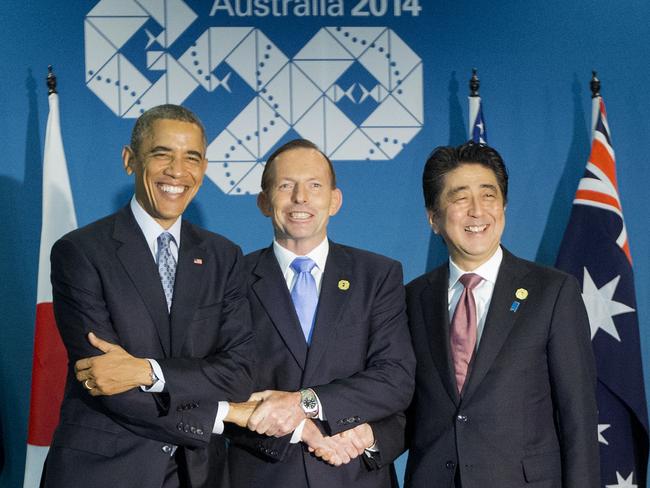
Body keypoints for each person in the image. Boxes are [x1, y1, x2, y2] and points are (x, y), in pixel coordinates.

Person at [42, 104, 255, 488]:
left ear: (203, 170)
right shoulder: (81, 251)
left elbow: (238, 374)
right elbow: (105, 381)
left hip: (201, 473)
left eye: (191, 157)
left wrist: (146, 371)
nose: (177, 171)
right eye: (162, 154)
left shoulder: (225, 256)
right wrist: (221, 416)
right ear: (129, 160)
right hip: (105, 471)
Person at [404, 142, 600, 488]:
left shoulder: (552, 293)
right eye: (460, 198)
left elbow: (578, 417)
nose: (477, 211)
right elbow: (406, 409)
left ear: (504, 207)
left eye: (489, 195)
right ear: (433, 217)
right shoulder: (412, 298)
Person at [225, 139, 415, 488]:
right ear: (264, 202)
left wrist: (307, 405)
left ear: (335, 200)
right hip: (263, 475)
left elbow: (395, 379)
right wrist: (302, 430)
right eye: (286, 186)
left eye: (314, 185)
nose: (301, 198)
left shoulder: (377, 275)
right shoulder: (230, 278)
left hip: (354, 472)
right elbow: (223, 385)